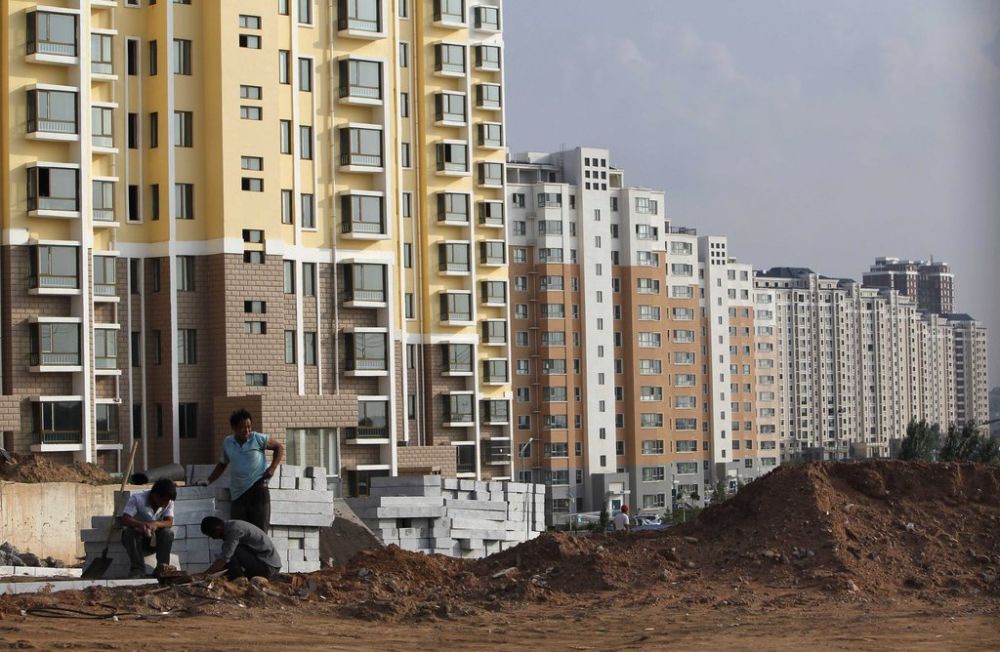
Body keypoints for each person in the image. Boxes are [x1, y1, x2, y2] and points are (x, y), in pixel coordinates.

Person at [203, 408, 284, 532]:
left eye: (249, 427)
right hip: (238, 494)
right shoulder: (228, 442)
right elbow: (222, 464)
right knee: (239, 532)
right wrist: (208, 481)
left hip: (258, 490)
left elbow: (278, 447)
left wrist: (272, 467)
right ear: (234, 428)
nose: (247, 430)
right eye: (243, 427)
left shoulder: (257, 438)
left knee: (259, 533)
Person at [120, 478, 177, 578]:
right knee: (128, 533)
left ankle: (162, 568)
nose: (165, 503)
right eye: (163, 500)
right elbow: (125, 519)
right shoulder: (137, 499)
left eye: (167, 501)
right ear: (155, 495)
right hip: (139, 540)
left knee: (168, 533)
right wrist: (141, 525)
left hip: (157, 540)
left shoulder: (168, 502)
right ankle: (137, 570)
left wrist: (156, 524)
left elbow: (169, 522)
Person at [200, 516, 282, 580]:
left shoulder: (234, 530)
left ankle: (238, 580)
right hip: (266, 564)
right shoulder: (231, 526)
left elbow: (224, 559)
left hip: (268, 567)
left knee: (232, 551)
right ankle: (238, 578)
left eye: (211, 535)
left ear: (217, 529)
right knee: (228, 555)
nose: (213, 538)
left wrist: (205, 574)